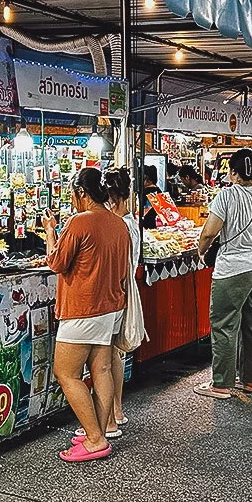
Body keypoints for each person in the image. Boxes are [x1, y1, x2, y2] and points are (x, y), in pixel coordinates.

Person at [43, 168, 131, 463]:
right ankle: (101, 430)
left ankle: (94, 439)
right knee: (102, 370)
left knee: (66, 373)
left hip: (83, 308)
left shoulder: (79, 222)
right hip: (111, 306)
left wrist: (50, 231)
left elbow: (56, 262)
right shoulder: (119, 224)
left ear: (81, 193)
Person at [195, 148, 252, 399]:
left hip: (234, 267)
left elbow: (210, 232)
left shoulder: (227, 195)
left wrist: (201, 251)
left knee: (224, 324)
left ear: (233, 172)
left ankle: (220, 384)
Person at [106, 166, 140, 433]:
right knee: (113, 354)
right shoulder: (131, 223)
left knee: (110, 355)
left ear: (112, 199)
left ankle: (114, 411)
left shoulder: (121, 226)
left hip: (117, 292)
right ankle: (115, 410)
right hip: (124, 290)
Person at [139, 164, 161, 229]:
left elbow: (143, 210)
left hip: (146, 226)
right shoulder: (158, 190)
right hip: (156, 225)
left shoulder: (145, 192)